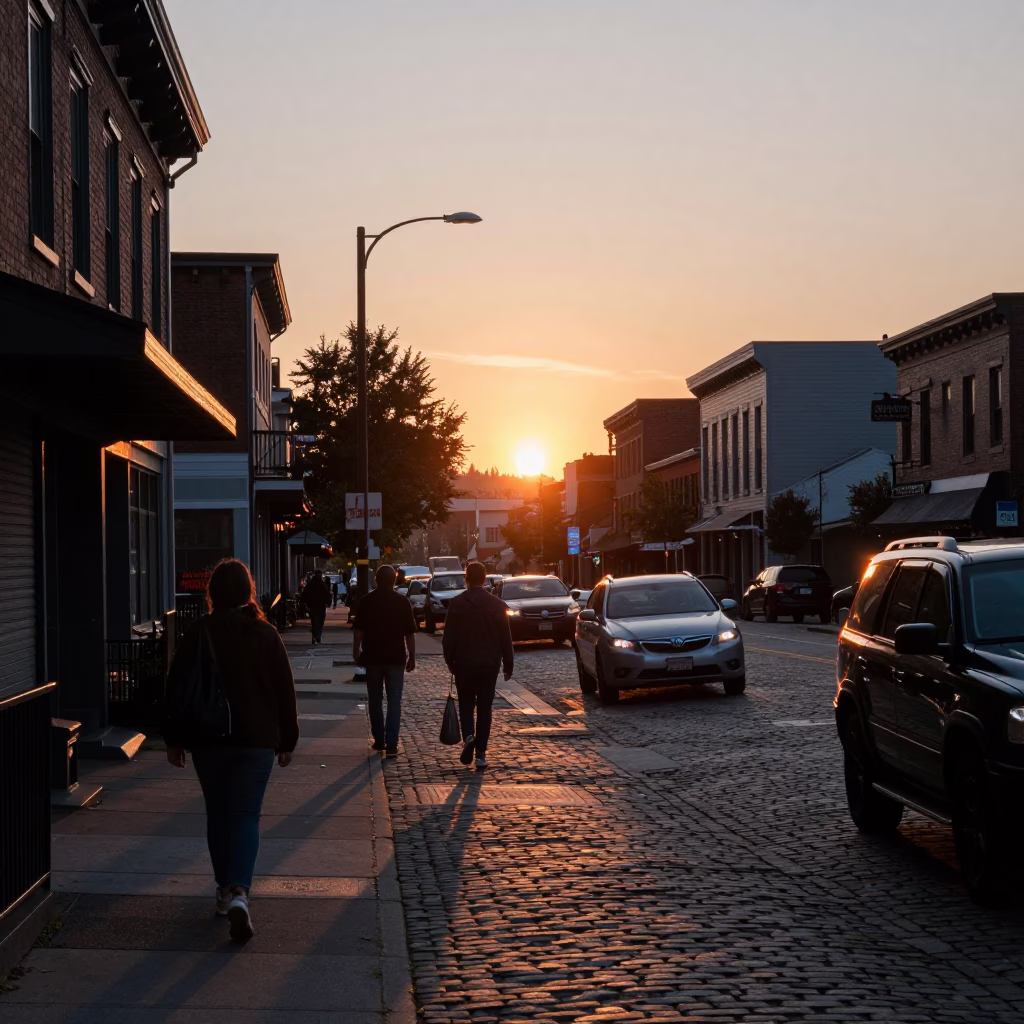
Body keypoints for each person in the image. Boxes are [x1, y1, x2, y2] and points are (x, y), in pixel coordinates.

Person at [164, 558, 299, 942]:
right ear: (248, 592)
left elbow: (177, 687)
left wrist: (173, 738)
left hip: (209, 738)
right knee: (246, 817)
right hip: (256, 740)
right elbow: (283, 690)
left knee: (217, 815)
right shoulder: (265, 633)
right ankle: (240, 892)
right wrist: (287, 739)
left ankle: (224, 889)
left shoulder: (199, 632)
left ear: (213, 594)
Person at [442, 560, 514, 769]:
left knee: (465, 703)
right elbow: (505, 637)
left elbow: (448, 638)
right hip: (489, 663)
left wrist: (450, 661)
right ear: (484, 579)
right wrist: (508, 663)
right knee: (485, 707)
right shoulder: (497, 605)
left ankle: (469, 737)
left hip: (464, 663)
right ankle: (481, 752)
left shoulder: (456, 604)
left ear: (466, 579)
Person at [352, 564, 417, 758]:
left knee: (375, 699)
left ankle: (379, 739)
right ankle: (392, 743)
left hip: (373, 657)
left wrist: (356, 652)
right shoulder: (402, 602)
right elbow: (409, 633)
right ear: (394, 580)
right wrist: (412, 655)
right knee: (394, 700)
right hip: (395, 657)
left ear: (376, 580)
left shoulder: (366, 601)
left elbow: (359, 632)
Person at [303, 570, 331, 644]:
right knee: (320, 620)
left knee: (314, 620)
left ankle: (315, 634)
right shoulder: (322, 584)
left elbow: (304, 594)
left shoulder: (310, 584)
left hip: (312, 605)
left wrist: (306, 603)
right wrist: (328, 602)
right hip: (320, 605)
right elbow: (327, 594)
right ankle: (317, 635)